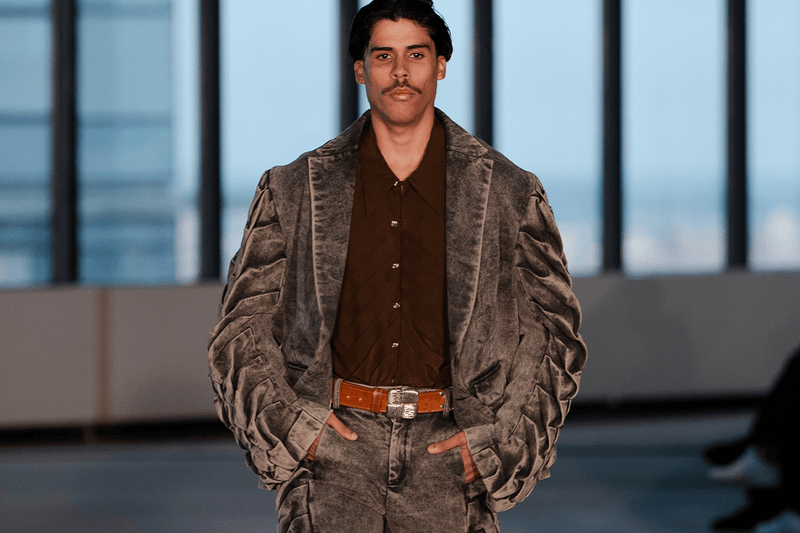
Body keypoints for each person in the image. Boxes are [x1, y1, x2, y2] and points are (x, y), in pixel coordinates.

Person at [207, 1, 587, 531]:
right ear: (360, 69)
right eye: (384, 56)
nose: (401, 72)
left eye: (417, 54)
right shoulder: (293, 188)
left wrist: (498, 446)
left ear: (441, 65)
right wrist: (296, 432)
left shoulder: (508, 191)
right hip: (334, 459)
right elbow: (241, 329)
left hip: (449, 459)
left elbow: (553, 333)